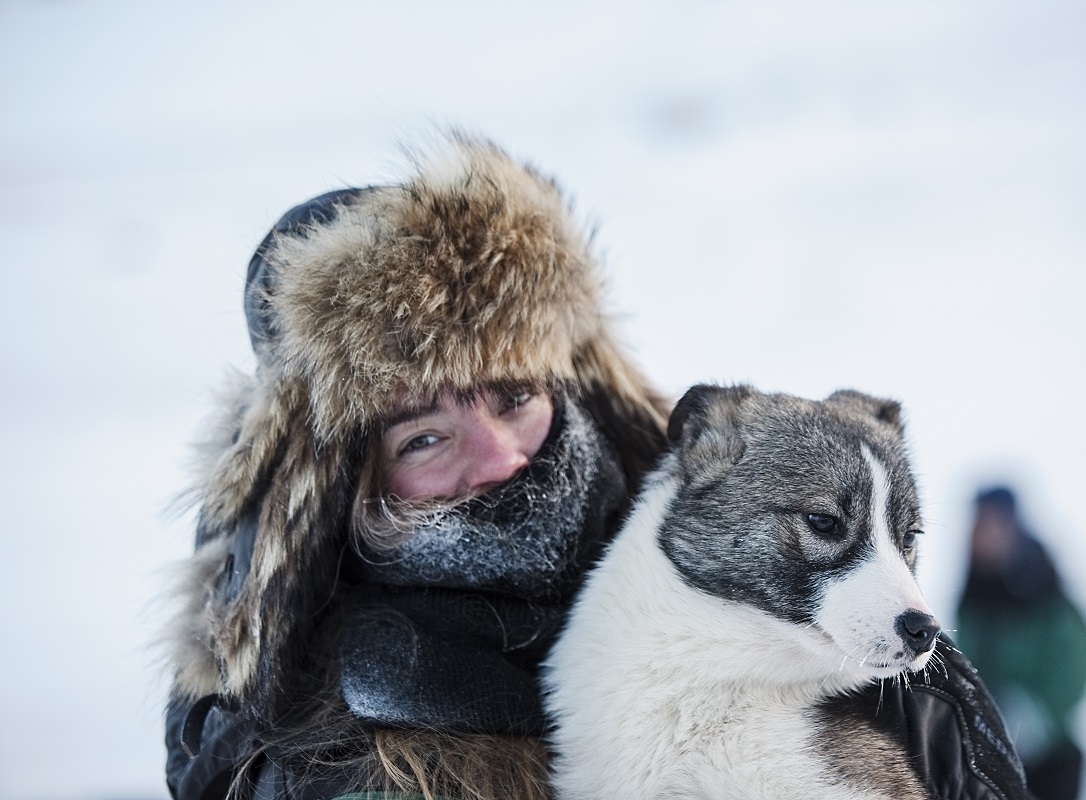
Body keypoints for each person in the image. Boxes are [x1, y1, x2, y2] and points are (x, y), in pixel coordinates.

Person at [163, 134, 1028, 800]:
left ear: (571, 388)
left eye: (512, 397)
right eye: (422, 439)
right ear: (339, 499)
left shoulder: (728, 527)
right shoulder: (331, 748)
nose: (500, 457)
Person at [956, 486, 1086, 800]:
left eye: (991, 524)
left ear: (1012, 527)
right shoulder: (973, 594)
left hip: (1050, 761)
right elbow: (965, 660)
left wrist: (1040, 714)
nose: (981, 536)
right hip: (990, 753)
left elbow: (1078, 651)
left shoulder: (1041, 586)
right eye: (976, 525)